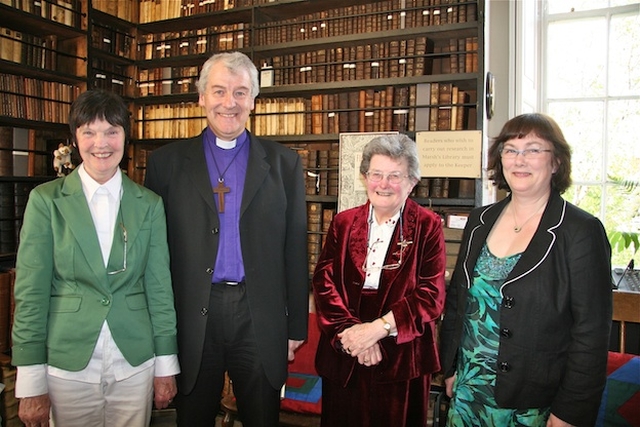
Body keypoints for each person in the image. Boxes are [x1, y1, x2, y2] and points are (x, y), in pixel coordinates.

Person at [144, 51, 309, 427]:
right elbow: (155, 257)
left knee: (262, 417)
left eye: (240, 92)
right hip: (193, 314)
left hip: (259, 314)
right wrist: (159, 333)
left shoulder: (284, 164)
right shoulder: (165, 164)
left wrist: (296, 328)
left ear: (253, 99)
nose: (228, 103)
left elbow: (294, 249)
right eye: (218, 91)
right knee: (193, 417)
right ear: (201, 97)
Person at [11, 89, 179, 427]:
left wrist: (166, 365)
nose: (101, 143)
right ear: (75, 138)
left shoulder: (149, 204)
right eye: (89, 131)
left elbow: (160, 289)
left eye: (111, 131)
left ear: (125, 138)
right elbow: (30, 293)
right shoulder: (46, 202)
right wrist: (30, 380)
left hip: (135, 360)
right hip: (66, 361)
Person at [439, 113, 612, 427]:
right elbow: (458, 302)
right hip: (469, 392)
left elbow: (591, 334)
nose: (520, 160)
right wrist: (450, 368)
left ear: (556, 162)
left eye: (533, 149)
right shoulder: (480, 221)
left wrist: (569, 413)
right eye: (511, 149)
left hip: (534, 404)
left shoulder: (581, 231)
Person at [312, 134, 447, 427]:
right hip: (346, 348)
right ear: (365, 177)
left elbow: (431, 295)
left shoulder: (428, 226)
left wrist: (378, 329)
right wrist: (351, 332)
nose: (383, 184)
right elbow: (324, 281)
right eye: (376, 174)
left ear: (412, 181)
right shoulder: (343, 223)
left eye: (394, 176)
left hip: (402, 355)